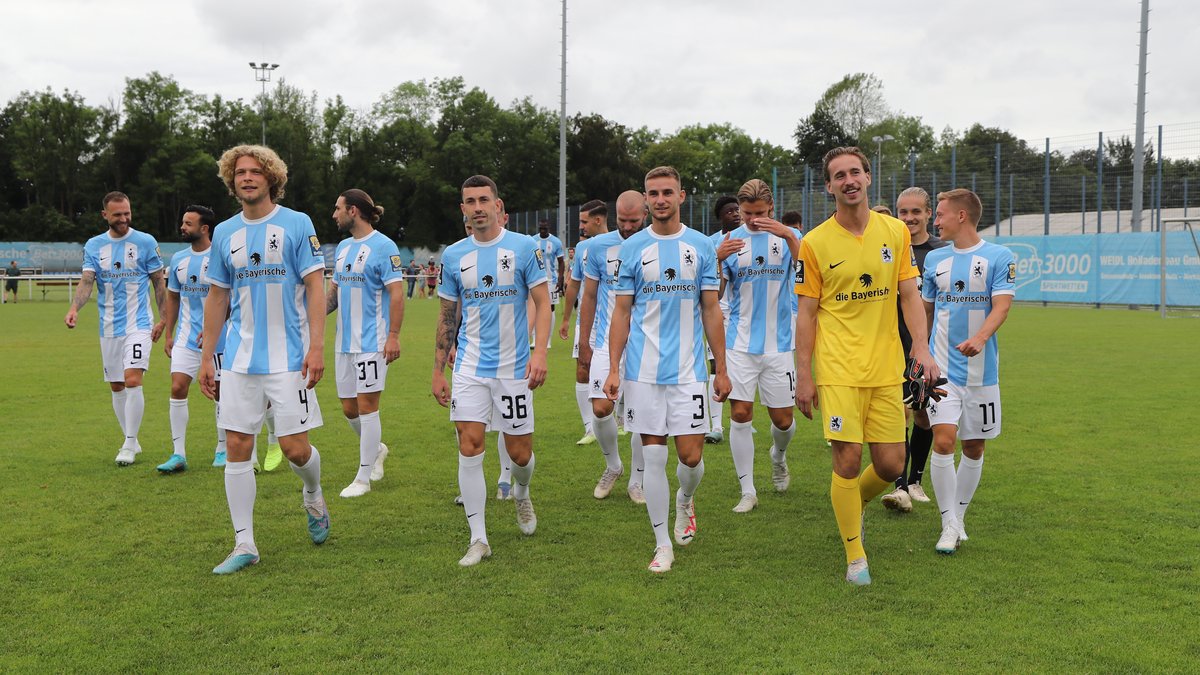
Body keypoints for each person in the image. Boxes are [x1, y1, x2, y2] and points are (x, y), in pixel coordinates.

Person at [793, 146, 939, 586]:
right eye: (839, 175)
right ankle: (855, 554)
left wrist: (922, 348)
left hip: (886, 365)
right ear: (829, 186)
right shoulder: (814, 243)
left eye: (855, 172)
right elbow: (806, 312)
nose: (849, 180)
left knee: (894, 465)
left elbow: (910, 295)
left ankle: (848, 504)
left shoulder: (894, 232)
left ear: (868, 178)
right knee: (848, 458)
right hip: (838, 367)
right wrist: (804, 373)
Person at [198, 144, 330, 575]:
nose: (247, 178)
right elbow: (218, 295)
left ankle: (312, 493)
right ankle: (244, 544)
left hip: (289, 356)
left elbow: (314, 285)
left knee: (295, 450)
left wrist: (315, 345)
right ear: (230, 180)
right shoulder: (223, 234)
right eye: (239, 173)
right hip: (238, 358)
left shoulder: (297, 223)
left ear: (271, 178)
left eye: (255, 172)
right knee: (237, 446)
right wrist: (207, 358)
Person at [604, 166, 730, 574]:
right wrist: (613, 369)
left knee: (691, 458)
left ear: (681, 196)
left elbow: (711, 309)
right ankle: (661, 544)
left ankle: (685, 500)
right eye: (653, 193)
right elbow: (621, 313)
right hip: (643, 372)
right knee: (653, 456)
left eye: (667, 192)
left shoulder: (700, 247)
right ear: (645, 199)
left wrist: (721, 369)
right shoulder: (632, 249)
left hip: (690, 371)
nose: (660, 199)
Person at [432, 174, 551, 567]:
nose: (478, 207)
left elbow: (542, 302)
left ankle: (521, 492)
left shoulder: (523, 248)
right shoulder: (453, 256)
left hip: (515, 367)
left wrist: (540, 354)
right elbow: (448, 315)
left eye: (484, 199)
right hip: (469, 367)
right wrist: (438, 370)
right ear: (463, 208)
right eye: (470, 201)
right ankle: (478, 538)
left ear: (497, 205)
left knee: (521, 454)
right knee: (470, 446)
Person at [922, 189, 1015, 554]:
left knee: (974, 446)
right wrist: (918, 354)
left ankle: (958, 517)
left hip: (982, 373)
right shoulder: (934, 260)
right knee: (943, 441)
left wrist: (979, 337)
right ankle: (948, 525)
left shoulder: (999, 256)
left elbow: (1002, 307)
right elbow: (926, 313)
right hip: (941, 370)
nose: (935, 220)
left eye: (940, 214)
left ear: (961, 216)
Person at [64, 192, 167, 466]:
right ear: (105, 215)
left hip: (139, 324)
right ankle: (130, 437)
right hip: (108, 325)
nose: (123, 219)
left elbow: (159, 283)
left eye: (127, 213)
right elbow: (87, 281)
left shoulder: (145, 242)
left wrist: (164, 319)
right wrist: (75, 308)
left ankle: (130, 444)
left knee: (133, 378)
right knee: (117, 384)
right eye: (117, 214)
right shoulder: (94, 245)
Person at [719, 179, 801, 513]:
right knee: (740, 413)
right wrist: (715, 259)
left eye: (760, 213)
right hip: (738, 344)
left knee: (783, 421)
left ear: (772, 208)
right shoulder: (728, 242)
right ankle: (748, 490)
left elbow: (809, 275)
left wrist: (789, 237)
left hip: (779, 344)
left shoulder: (789, 239)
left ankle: (778, 456)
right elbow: (713, 294)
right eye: (747, 213)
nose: (753, 219)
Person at [326, 189, 404, 498]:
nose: (335, 214)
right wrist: (310, 319)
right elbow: (333, 293)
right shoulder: (344, 248)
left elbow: (397, 295)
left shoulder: (384, 247)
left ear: (354, 211)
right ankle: (378, 449)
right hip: (343, 343)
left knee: (368, 406)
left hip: (372, 342)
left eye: (338, 208)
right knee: (349, 409)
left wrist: (394, 336)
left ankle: (363, 477)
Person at [881, 187, 949, 512]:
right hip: (890, 347)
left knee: (923, 416)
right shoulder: (889, 248)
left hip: (926, 349)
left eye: (915, 212)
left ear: (927, 214)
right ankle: (898, 487)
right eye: (902, 212)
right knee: (899, 414)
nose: (908, 218)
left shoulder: (941, 253)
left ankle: (915, 480)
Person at [578, 190, 648, 502]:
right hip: (608, 339)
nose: (629, 227)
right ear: (613, 217)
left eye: (634, 221)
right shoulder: (596, 247)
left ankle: (637, 480)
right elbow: (589, 295)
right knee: (601, 407)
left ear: (644, 215)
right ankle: (614, 466)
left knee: (642, 415)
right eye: (623, 221)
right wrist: (584, 340)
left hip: (647, 341)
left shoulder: (656, 242)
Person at [156, 205, 227, 473]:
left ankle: (222, 449)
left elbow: (228, 297)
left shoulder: (220, 257)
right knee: (177, 387)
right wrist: (169, 332)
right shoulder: (179, 260)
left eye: (188, 223)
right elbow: (173, 296)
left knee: (218, 392)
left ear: (204, 228)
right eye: (182, 222)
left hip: (218, 338)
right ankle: (178, 454)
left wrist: (214, 327)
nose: (182, 227)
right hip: (186, 338)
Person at [558, 200, 608, 447]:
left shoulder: (623, 244)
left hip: (616, 321)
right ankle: (589, 428)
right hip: (587, 321)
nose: (581, 226)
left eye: (584, 221)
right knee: (582, 369)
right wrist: (567, 318)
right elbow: (574, 285)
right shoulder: (582, 248)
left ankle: (620, 420)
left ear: (598, 220)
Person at [704, 195, 742, 443]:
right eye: (729, 211)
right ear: (720, 216)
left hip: (742, 317)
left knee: (739, 368)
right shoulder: (709, 243)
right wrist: (717, 256)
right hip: (717, 311)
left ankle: (739, 417)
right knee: (716, 366)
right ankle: (716, 426)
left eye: (738, 209)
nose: (736, 214)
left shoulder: (752, 238)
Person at [531, 219, 565, 349]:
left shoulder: (556, 242)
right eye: (541, 228)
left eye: (545, 228)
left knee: (550, 309)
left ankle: (548, 340)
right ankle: (534, 339)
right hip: (536, 280)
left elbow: (561, 262)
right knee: (534, 307)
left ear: (549, 228)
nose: (542, 231)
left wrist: (561, 279)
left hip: (551, 281)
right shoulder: (533, 241)